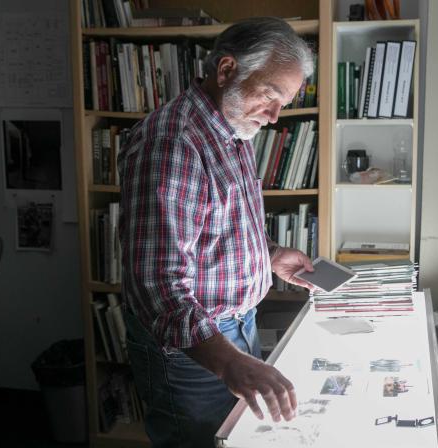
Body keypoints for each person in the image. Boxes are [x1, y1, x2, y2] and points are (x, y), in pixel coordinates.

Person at [118, 17, 315, 448]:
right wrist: (229, 364)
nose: (276, 116)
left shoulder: (233, 128)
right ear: (226, 70)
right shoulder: (172, 143)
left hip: (234, 329)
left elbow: (216, 226)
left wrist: (269, 253)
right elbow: (157, 287)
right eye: (270, 96)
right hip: (192, 351)